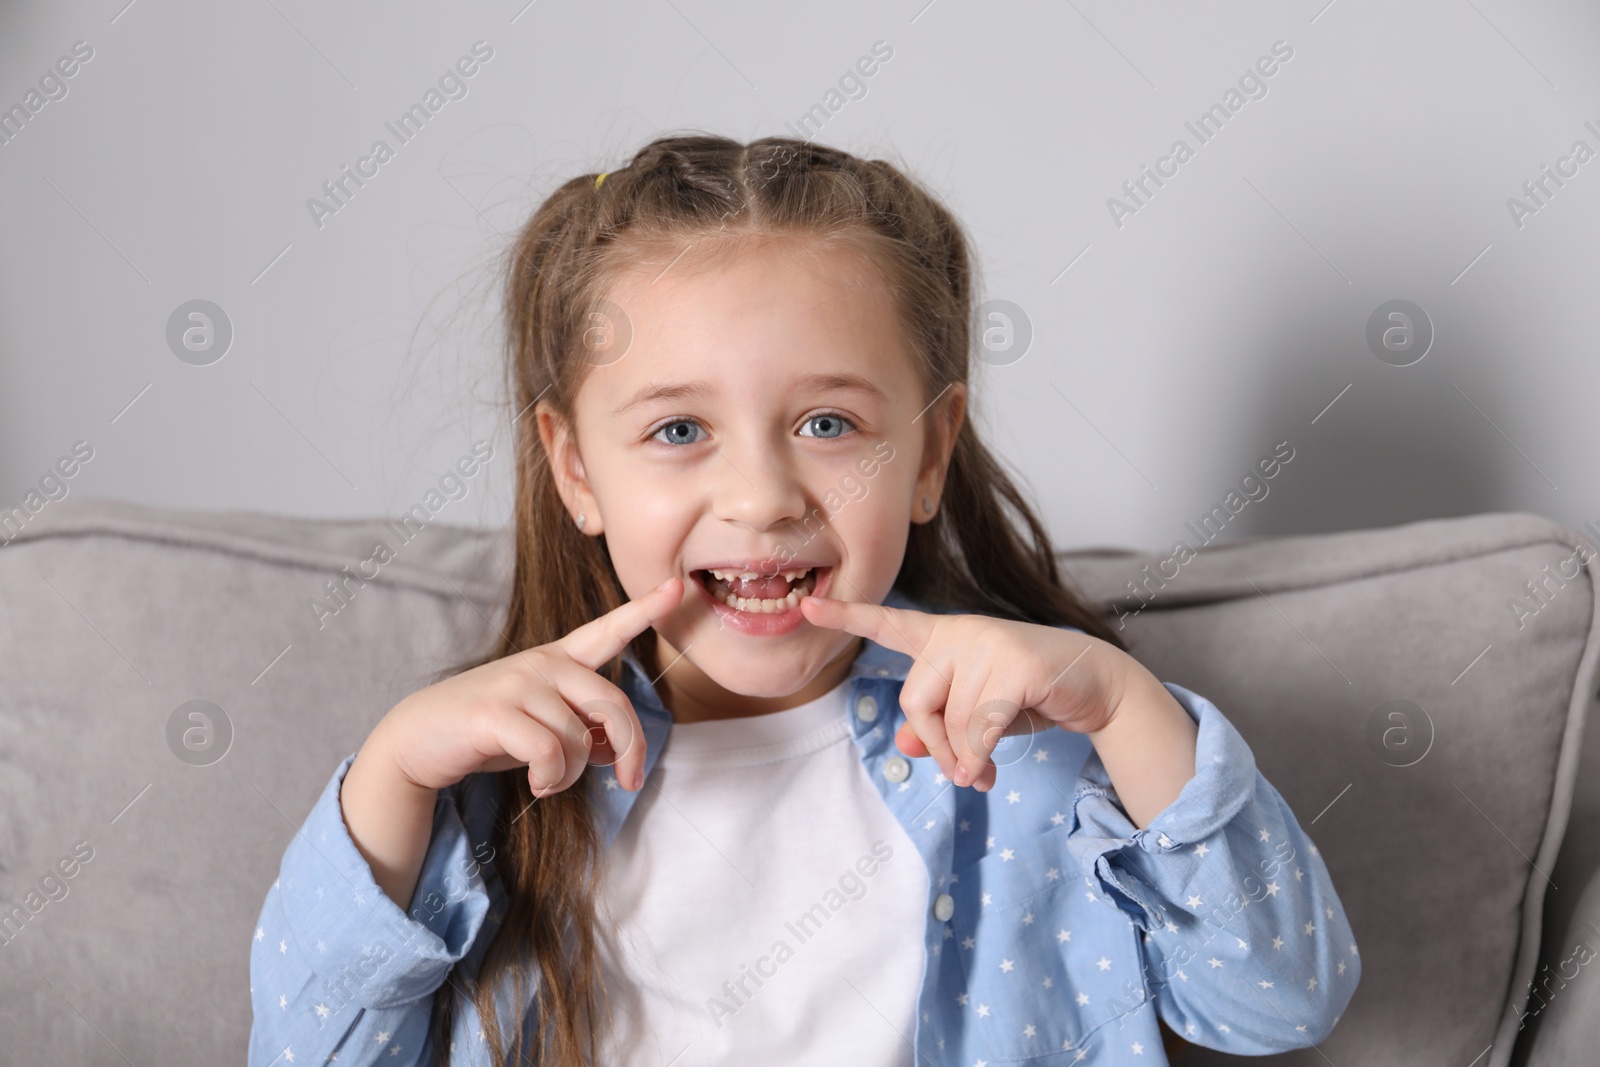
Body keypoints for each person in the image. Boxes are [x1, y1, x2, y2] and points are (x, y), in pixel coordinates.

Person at [248, 134, 1359, 1066]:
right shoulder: (494, 795)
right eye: (678, 430)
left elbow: (1275, 1001)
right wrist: (390, 778)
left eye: (828, 424)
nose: (761, 496)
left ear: (929, 453)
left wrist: (1124, 708)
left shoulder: (1041, 753)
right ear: (576, 469)